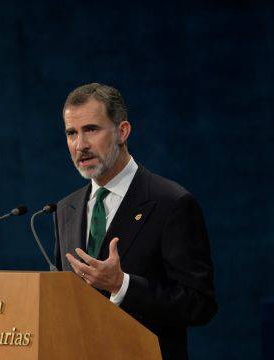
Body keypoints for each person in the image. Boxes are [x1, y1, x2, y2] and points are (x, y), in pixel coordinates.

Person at [53, 83, 217, 360]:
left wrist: (121, 284)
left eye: (91, 129)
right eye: (72, 133)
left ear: (122, 132)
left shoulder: (171, 202)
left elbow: (200, 305)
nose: (80, 145)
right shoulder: (64, 209)